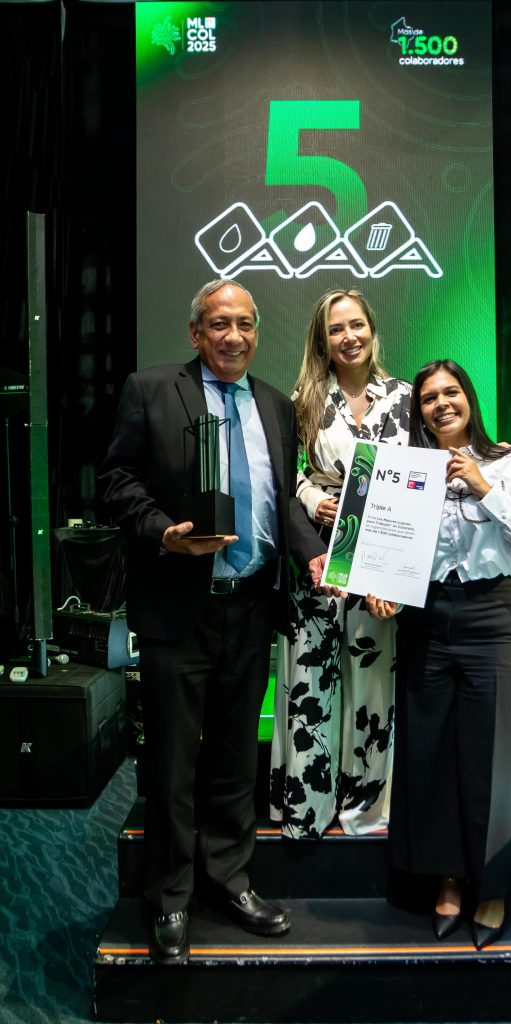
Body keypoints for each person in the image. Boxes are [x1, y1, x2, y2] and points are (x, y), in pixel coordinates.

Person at [99, 279, 329, 964]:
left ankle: (229, 880)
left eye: (245, 324)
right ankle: (169, 897)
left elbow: (281, 498)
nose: (234, 336)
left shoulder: (274, 406)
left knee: (234, 757)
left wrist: (311, 553)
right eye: (220, 324)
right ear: (196, 333)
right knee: (172, 761)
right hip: (179, 609)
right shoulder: (151, 390)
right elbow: (116, 482)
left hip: (252, 606)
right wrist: (163, 533)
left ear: (256, 332)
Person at [366, 359, 511, 948]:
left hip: (493, 616)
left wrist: (485, 488)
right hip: (426, 619)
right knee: (429, 755)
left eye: (450, 392)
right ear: (419, 411)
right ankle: (449, 879)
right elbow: (383, 550)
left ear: (469, 398)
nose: (441, 405)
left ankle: (493, 887)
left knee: (494, 759)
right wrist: (380, 588)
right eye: (429, 398)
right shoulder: (403, 471)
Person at [270, 289, 411, 838]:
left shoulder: (403, 397)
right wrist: (311, 498)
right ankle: (307, 810)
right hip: (319, 555)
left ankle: (367, 811)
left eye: (357, 325)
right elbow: (283, 476)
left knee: (373, 686)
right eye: (336, 329)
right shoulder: (302, 400)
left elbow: (420, 478)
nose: (348, 337)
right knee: (312, 682)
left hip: (380, 554)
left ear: (372, 330)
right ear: (321, 340)